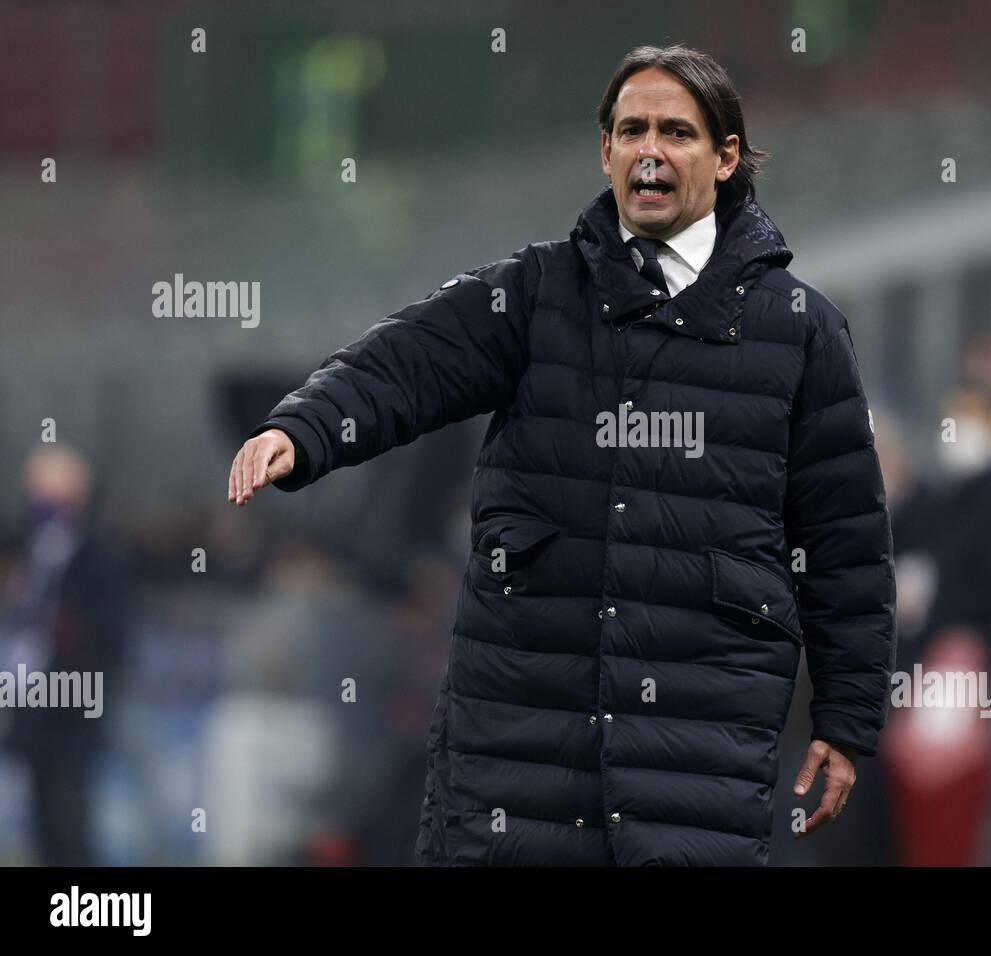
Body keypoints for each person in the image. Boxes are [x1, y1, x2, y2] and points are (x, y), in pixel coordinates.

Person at [228, 44, 897, 866]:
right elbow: (409, 360)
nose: (650, 149)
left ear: (726, 158)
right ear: (607, 152)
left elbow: (846, 545)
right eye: (631, 129)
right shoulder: (534, 295)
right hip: (518, 755)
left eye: (678, 132)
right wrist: (304, 429)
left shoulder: (801, 330)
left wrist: (846, 717)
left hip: (694, 766)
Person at [0, 445, 131, 865]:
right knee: (43, 825)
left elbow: (110, 636)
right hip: (34, 710)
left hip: (73, 709)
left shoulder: (98, 561)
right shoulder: (32, 558)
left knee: (68, 823)